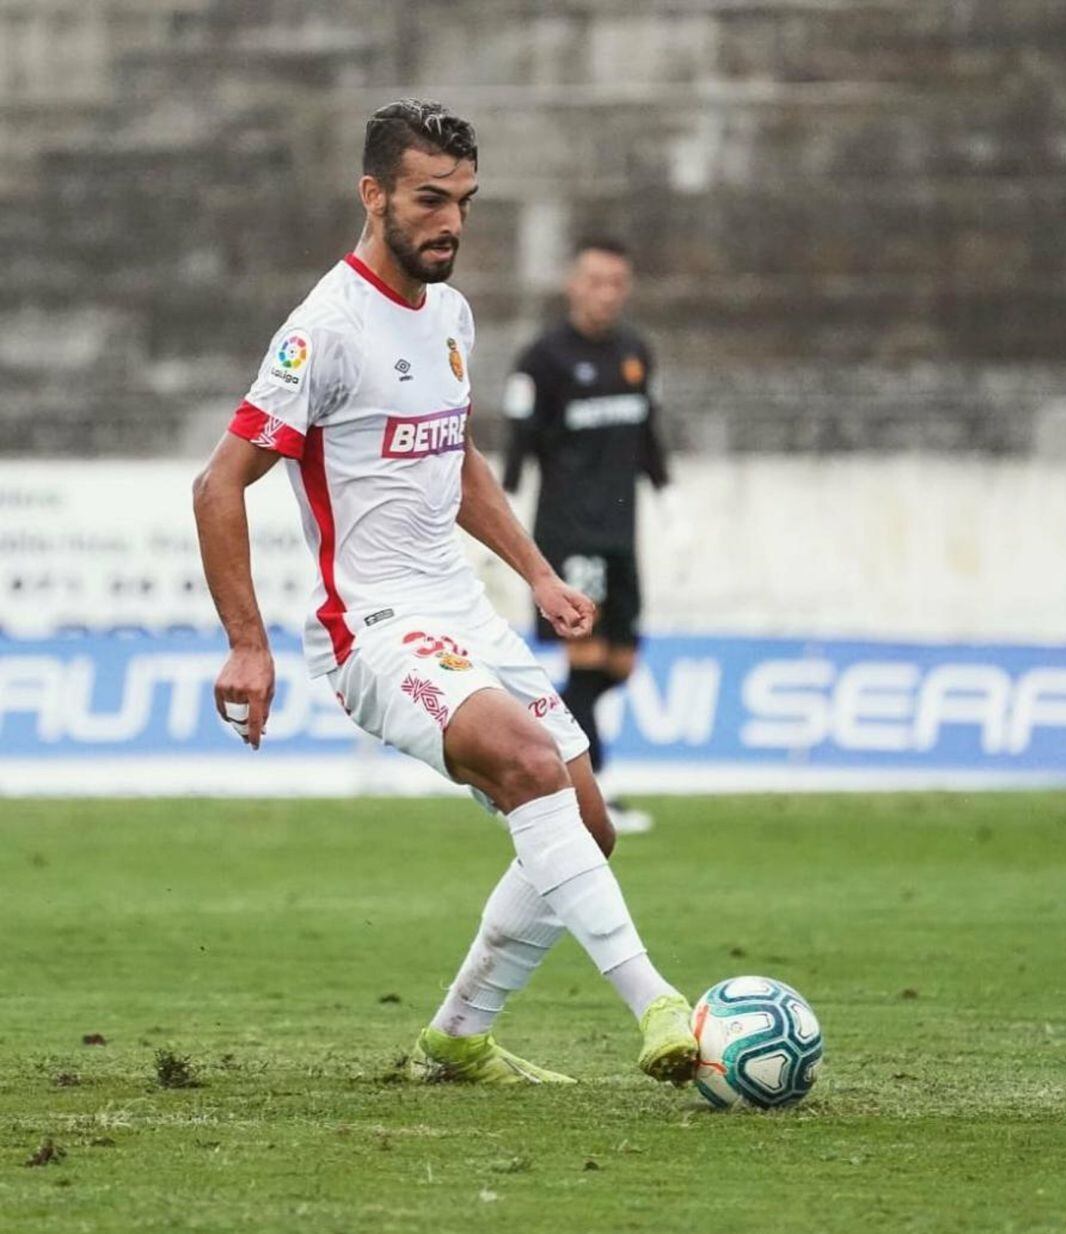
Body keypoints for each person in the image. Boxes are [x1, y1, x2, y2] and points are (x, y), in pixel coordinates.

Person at [192, 99, 696, 1086]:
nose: (451, 223)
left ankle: (457, 1036)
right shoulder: (323, 331)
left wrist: (538, 574)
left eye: (465, 202)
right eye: (430, 200)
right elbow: (219, 484)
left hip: (462, 615)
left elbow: (455, 461)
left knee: (587, 827)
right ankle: (658, 1003)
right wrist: (247, 645)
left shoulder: (452, 316)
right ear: (373, 194)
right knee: (526, 762)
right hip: (369, 628)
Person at [502, 239, 670, 833]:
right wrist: (506, 494)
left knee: (619, 663)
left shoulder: (634, 354)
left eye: (617, 282)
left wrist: (668, 495)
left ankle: (545, 745)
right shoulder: (544, 359)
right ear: (573, 285)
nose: (607, 293)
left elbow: (648, 432)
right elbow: (518, 438)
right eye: (596, 280)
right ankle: (589, 787)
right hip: (569, 535)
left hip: (622, 535)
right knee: (585, 654)